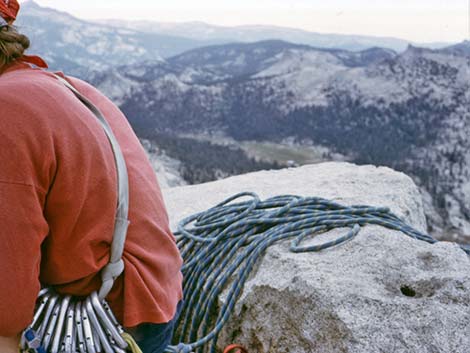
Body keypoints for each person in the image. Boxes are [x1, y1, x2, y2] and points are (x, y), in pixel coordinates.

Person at [0, 1, 184, 352]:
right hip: (155, 296)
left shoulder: (6, 113)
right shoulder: (55, 85)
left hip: (112, 318)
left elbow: (5, 318)